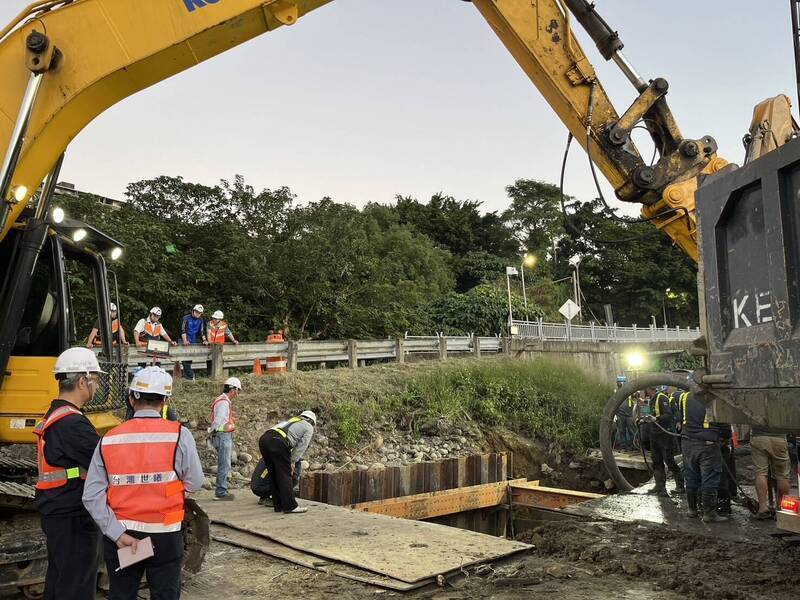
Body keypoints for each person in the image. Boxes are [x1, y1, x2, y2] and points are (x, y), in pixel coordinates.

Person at [82, 366, 203, 600]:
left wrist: (116, 534)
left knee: (122, 594)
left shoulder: (109, 439)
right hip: (166, 534)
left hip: (123, 536)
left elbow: (91, 496)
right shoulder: (179, 434)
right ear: (165, 400)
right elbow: (195, 482)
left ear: (131, 397)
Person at [34, 348, 104, 600]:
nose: (96, 385)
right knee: (75, 587)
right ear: (82, 381)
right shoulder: (72, 423)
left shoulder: (57, 414)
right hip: (73, 514)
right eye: (95, 379)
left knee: (60, 582)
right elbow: (106, 461)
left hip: (59, 510)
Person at [676, 391, 732, 523]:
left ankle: (692, 510)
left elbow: (680, 418)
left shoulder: (684, 396)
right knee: (710, 477)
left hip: (687, 442)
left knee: (691, 475)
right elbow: (723, 422)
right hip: (708, 444)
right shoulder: (715, 395)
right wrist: (725, 436)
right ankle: (709, 513)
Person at [258, 411, 316, 514]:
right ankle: (290, 506)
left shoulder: (291, 421)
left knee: (274, 474)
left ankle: (278, 505)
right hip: (278, 442)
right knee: (285, 475)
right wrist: (292, 461)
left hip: (264, 440)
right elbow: (301, 446)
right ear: (312, 421)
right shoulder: (308, 427)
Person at [646, 386, 684, 496]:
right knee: (656, 461)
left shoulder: (662, 398)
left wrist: (656, 419)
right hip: (654, 434)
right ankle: (660, 487)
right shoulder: (652, 399)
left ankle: (680, 485)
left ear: (649, 389)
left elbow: (668, 415)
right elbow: (653, 414)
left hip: (665, 435)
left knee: (669, 460)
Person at [210, 377, 242, 501]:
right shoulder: (224, 402)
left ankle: (221, 490)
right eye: (237, 390)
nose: (237, 394)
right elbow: (218, 419)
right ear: (232, 389)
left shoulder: (221, 400)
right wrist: (212, 432)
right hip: (222, 435)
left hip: (221, 435)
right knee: (224, 463)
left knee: (224, 463)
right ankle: (221, 492)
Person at [750, 426, 791, 520]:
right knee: (782, 476)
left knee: (761, 473)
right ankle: (782, 510)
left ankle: (763, 508)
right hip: (779, 438)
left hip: (758, 438)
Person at [180, 304, 208, 380]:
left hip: (194, 342)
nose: (198, 314)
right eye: (197, 312)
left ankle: (186, 377)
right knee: (184, 360)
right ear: (193, 311)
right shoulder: (186, 318)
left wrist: (204, 340)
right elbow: (183, 330)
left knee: (189, 360)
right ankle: (190, 376)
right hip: (185, 341)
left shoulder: (201, 320)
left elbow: (202, 332)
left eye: (200, 313)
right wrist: (185, 340)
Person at [614, 375, 635, 450]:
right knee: (621, 430)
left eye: (620, 382)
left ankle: (633, 445)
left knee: (631, 430)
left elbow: (635, 396)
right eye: (618, 382)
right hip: (620, 414)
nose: (619, 383)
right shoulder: (616, 392)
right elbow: (613, 404)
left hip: (629, 415)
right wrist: (615, 415)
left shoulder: (629, 391)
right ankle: (624, 446)